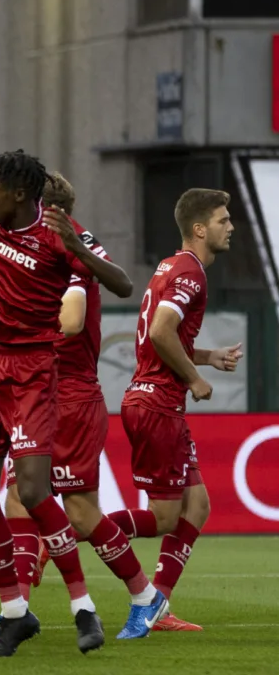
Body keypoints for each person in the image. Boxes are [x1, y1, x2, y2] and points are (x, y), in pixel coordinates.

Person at [0, 171, 170, 643]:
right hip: (33, 387)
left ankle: (144, 594)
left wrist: (19, 326)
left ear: (38, 208)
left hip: (67, 390)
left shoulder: (73, 247)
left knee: (78, 512)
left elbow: (72, 321)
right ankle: (14, 609)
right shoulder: (28, 241)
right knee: (17, 497)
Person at [0, 116, 124, 657]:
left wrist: (80, 247)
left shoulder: (58, 238)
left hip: (31, 373)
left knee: (33, 491)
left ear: (20, 194)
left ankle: (82, 606)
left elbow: (122, 284)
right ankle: (14, 612)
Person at [115, 188, 242, 631]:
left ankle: (157, 605)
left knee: (198, 505)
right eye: (224, 221)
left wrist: (207, 358)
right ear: (200, 229)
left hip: (154, 399)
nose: (231, 228)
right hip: (157, 404)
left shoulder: (172, 266)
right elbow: (160, 332)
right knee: (166, 517)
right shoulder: (191, 272)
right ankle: (61, 534)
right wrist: (194, 377)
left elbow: (169, 338)